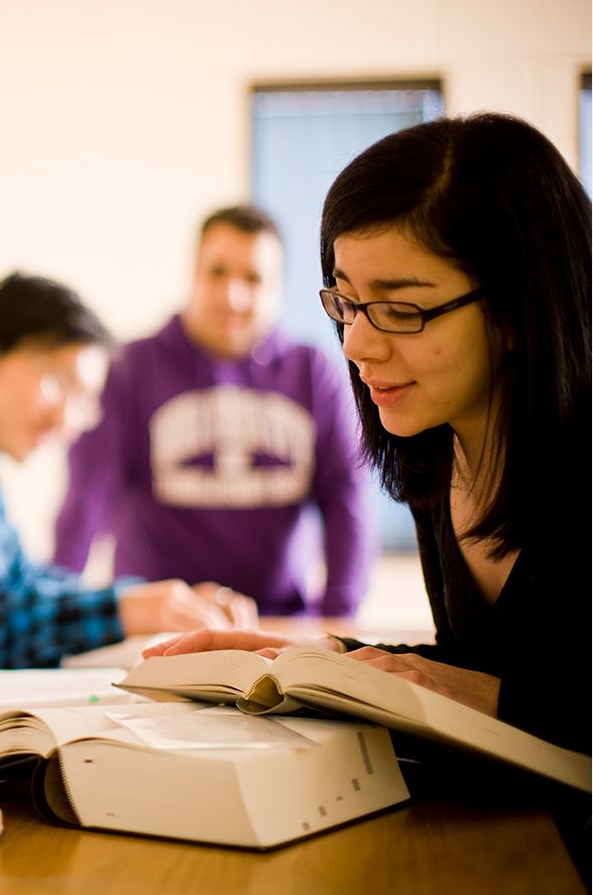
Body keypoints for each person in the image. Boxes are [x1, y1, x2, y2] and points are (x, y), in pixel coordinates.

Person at [146, 113, 591, 758]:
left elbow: (518, 689)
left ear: (519, 306)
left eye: (400, 309)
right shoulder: (438, 453)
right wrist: (320, 657)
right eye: (348, 304)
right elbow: (479, 665)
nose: (355, 344)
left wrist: (494, 702)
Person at [0, 273, 259, 671]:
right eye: (59, 382)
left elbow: (22, 585)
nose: (67, 420)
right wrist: (121, 610)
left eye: (83, 401)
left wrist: (157, 600)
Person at [54, 206, 372, 616]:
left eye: (253, 279)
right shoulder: (131, 368)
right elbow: (87, 497)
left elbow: (347, 499)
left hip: (278, 625)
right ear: (193, 275)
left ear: (278, 288)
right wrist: (57, 610)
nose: (232, 295)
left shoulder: (313, 372)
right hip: (159, 625)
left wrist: (338, 617)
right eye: (217, 273)